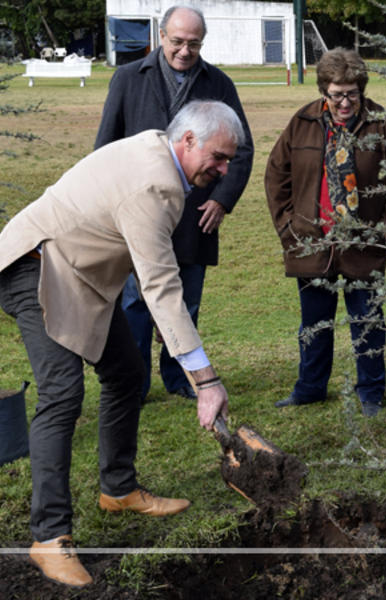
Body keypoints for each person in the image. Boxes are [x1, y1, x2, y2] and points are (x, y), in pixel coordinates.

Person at [0, 100, 243, 587]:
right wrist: (206, 381)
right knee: (62, 395)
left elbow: (146, 269)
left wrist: (172, 336)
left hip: (80, 274)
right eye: (218, 157)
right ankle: (50, 537)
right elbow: (161, 286)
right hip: (35, 265)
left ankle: (118, 488)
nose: (222, 170)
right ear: (188, 140)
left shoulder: (160, 153)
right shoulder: (153, 182)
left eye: (228, 162)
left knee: (127, 374)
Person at [95, 5, 253, 402]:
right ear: (161, 36)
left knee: (187, 299)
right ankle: (134, 381)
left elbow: (243, 148)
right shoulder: (128, 78)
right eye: (178, 41)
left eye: (194, 44)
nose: (185, 51)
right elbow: (105, 148)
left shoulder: (218, 83)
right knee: (135, 301)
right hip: (139, 212)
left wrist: (221, 200)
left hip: (196, 215)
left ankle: (180, 377)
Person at [265, 48, 386, 417]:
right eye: (336, 94)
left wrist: (385, 231)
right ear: (324, 92)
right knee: (314, 324)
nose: (344, 102)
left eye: (351, 93)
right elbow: (276, 175)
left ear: (361, 89)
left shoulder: (384, 126)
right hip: (313, 244)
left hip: (362, 245)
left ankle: (371, 393)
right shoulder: (302, 123)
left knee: (368, 322)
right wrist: (288, 228)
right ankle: (310, 389)